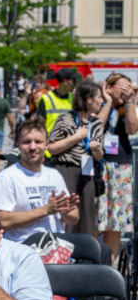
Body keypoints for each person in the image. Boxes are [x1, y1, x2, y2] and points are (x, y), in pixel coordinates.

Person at [0, 117, 80, 242]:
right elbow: (4, 221)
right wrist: (46, 210)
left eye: (38, 142)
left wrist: (65, 211)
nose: (33, 147)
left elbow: (74, 219)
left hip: (57, 247)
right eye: (27, 142)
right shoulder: (7, 177)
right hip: (24, 248)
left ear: (47, 144)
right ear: (18, 144)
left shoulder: (54, 175)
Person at [47, 80, 105, 237]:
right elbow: (51, 148)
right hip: (65, 169)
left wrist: (96, 148)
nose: (102, 101)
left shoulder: (97, 123)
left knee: (86, 214)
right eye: (99, 97)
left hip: (87, 171)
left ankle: (84, 249)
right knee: (66, 210)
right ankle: (63, 247)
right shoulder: (66, 118)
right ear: (89, 99)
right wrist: (77, 137)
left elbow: (99, 155)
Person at [95, 73, 137, 263]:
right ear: (109, 87)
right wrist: (108, 102)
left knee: (117, 220)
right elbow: (96, 126)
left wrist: (129, 102)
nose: (126, 90)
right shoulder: (99, 104)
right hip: (99, 165)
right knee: (96, 218)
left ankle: (108, 266)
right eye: (122, 86)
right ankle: (92, 264)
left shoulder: (128, 107)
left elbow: (131, 129)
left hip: (121, 167)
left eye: (129, 86)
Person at [36, 68, 80, 137]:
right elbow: (39, 124)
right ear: (65, 82)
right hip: (51, 140)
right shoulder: (46, 99)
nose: (76, 83)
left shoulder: (73, 98)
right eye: (73, 80)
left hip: (70, 140)